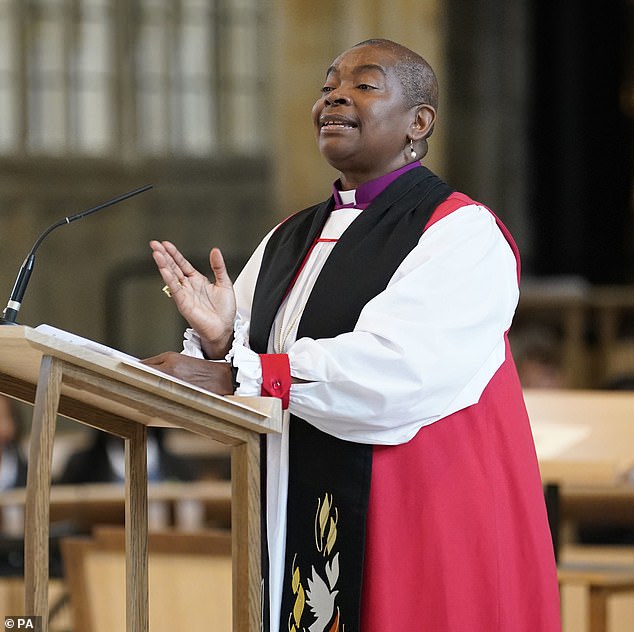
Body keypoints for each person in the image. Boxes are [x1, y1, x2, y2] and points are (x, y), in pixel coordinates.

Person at [144, 38, 561, 631]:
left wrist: (241, 371)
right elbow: (249, 372)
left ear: (419, 122)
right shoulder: (291, 235)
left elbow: (398, 371)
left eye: (363, 85)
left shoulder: (462, 232)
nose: (335, 96)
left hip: (419, 513)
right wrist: (219, 342)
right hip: (296, 509)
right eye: (327, 86)